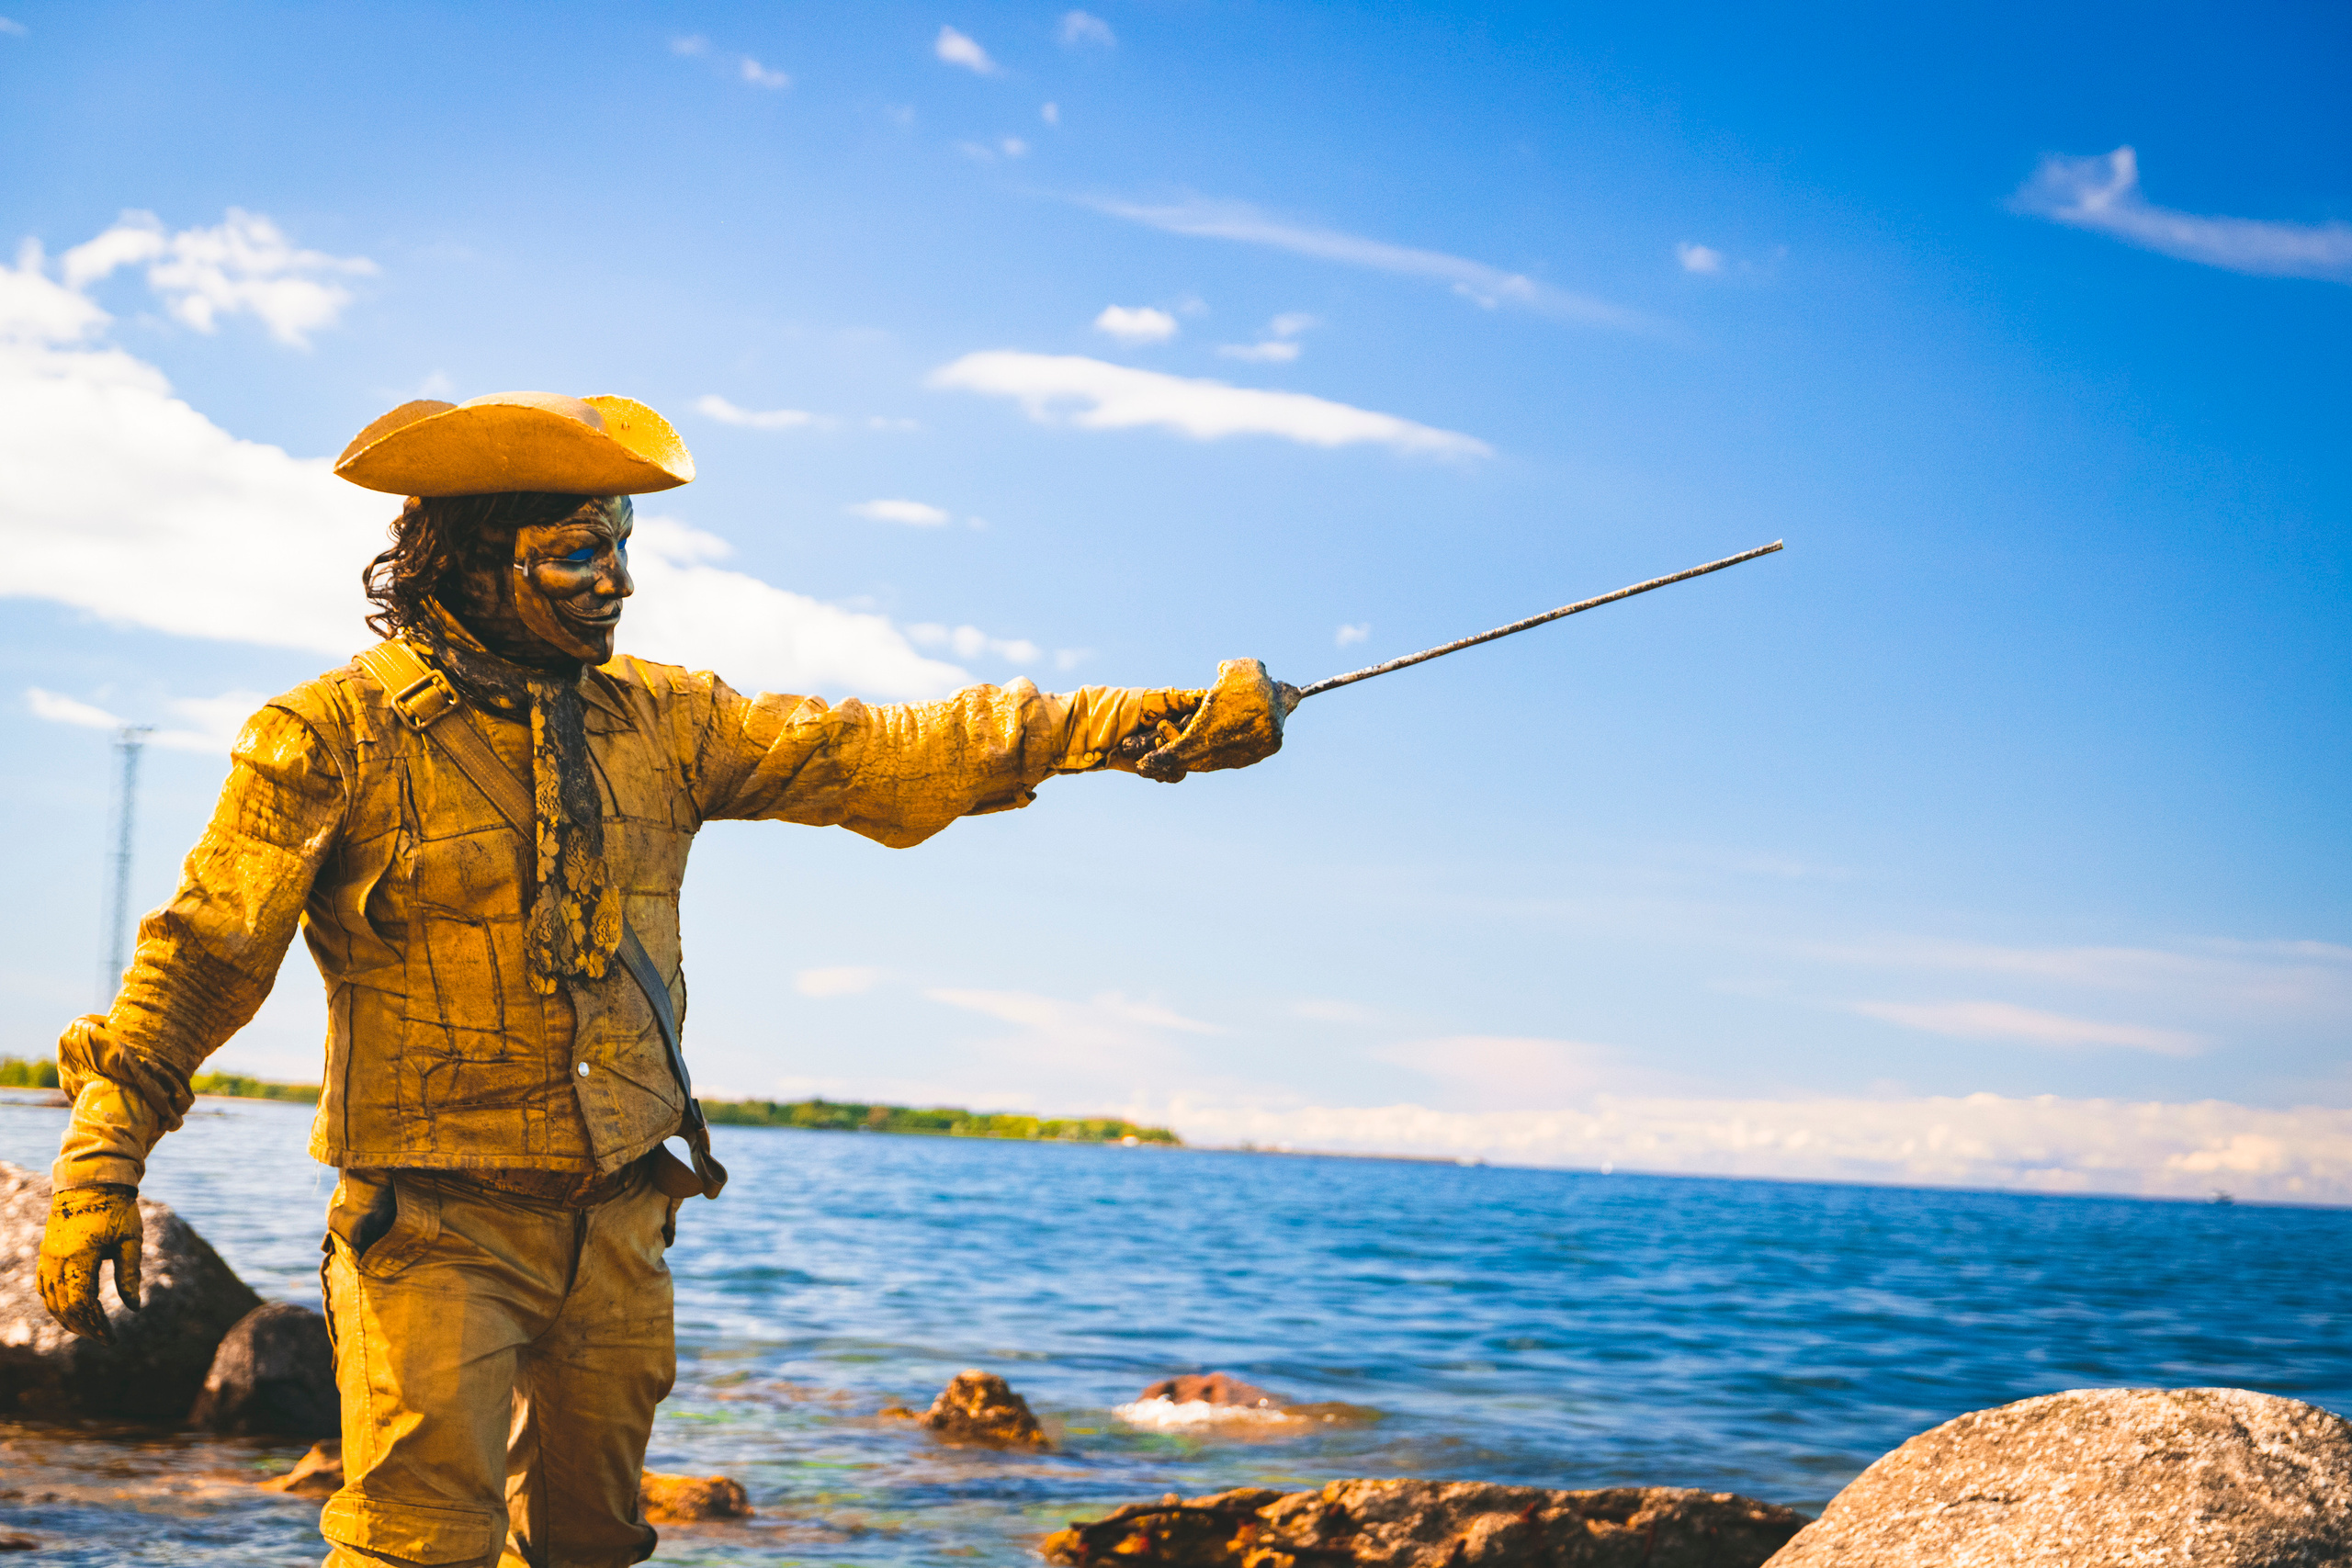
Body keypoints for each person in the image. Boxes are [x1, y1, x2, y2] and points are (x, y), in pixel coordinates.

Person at [35, 390, 1285, 1567]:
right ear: (470, 562)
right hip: (431, 1232)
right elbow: (202, 957)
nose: (618, 581)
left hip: (621, 1226)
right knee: (417, 1545)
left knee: (591, 1547)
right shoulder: (328, 736)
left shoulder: (668, 723)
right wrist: (100, 1166)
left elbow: (890, 751)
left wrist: (1142, 723)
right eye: (580, 551)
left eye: (623, 547)